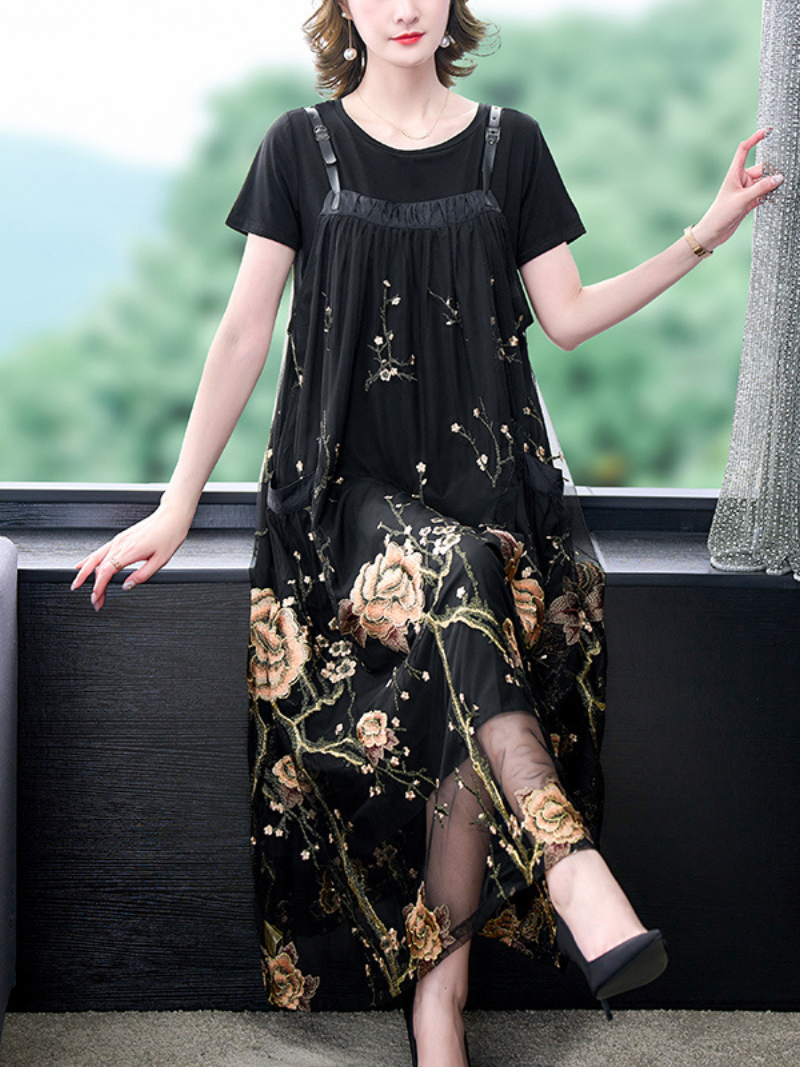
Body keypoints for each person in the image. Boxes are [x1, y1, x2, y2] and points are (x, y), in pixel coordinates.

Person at [72, 3, 782, 1065]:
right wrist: (179, 504)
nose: (403, 5)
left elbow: (567, 316)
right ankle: (568, 864)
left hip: (491, 488)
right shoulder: (298, 146)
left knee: (474, 586)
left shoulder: (511, 145)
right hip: (343, 498)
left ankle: (437, 1006)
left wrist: (704, 235)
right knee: (460, 576)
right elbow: (243, 331)